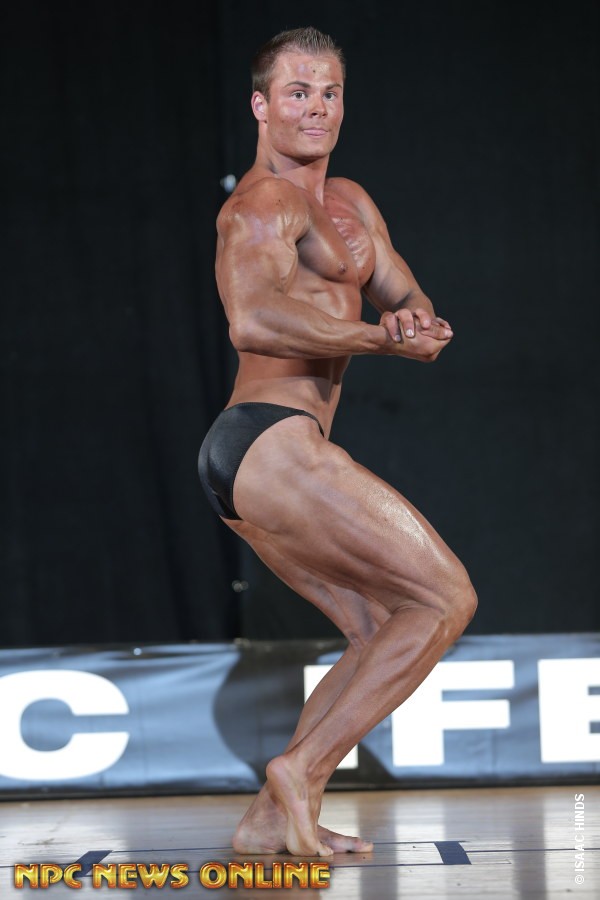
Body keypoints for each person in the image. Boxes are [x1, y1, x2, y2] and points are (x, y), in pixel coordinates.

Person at [198, 26, 477, 857]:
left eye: (330, 93)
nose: (316, 108)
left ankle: (267, 821)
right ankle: (303, 766)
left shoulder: (350, 202)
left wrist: (416, 323)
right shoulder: (258, 206)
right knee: (445, 600)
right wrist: (378, 342)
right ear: (261, 106)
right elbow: (253, 320)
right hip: (270, 440)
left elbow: (401, 292)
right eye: (297, 92)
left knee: (378, 626)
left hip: (261, 457)